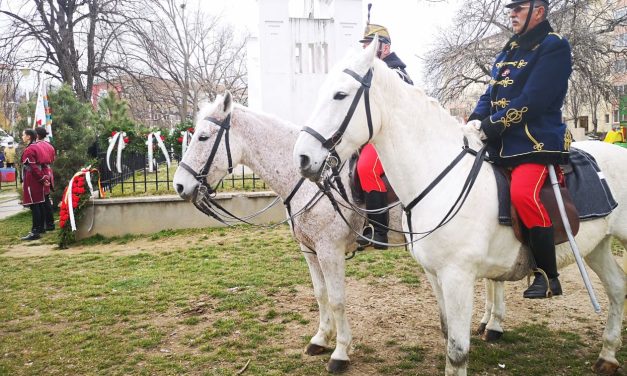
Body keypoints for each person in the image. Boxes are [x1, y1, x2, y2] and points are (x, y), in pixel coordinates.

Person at [465, 0, 572, 298]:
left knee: (523, 194)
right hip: (500, 141)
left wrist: (493, 125)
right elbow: (491, 94)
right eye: (510, 8)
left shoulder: (554, 46)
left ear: (538, 11)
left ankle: (547, 275)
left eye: (519, 8)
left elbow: (534, 99)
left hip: (534, 141)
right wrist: (475, 120)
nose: (511, 13)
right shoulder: (509, 50)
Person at [355, 23, 413, 250]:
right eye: (365, 45)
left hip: (392, 137)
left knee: (366, 168)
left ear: (385, 48)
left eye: (370, 45)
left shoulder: (395, 73)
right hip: (372, 134)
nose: (365, 50)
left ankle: (379, 232)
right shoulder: (373, 71)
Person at [20, 129, 49, 240]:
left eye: (23, 135)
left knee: (35, 205)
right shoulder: (37, 147)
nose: (22, 136)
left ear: (28, 137)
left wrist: (42, 178)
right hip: (37, 179)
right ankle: (41, 228)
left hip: (33, 180)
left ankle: (35, 231)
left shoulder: (30, 149)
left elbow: (32, 167)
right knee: (40, 203)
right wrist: (44, 177)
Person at [35, 127, 56, 231]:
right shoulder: (50, 146)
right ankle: (50, 223)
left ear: (37, 135)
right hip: (48, 172)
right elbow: (53, 158)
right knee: (46, 199)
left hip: (41, 173)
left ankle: (45, 224)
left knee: (42, 201)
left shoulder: (36, 146)